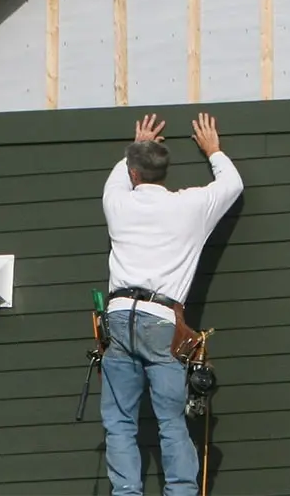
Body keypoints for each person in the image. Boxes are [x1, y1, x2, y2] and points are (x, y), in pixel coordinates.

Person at [100, 111, 243, 496]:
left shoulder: (118, 204)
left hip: (117, 319)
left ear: (134, 174)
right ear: (164, 174)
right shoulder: (189, 207)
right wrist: (214, 151)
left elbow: (117, 178)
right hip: (161, 321)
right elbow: (231, 185)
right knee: (171, 421)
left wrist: (140, 144)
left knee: (119, 423)